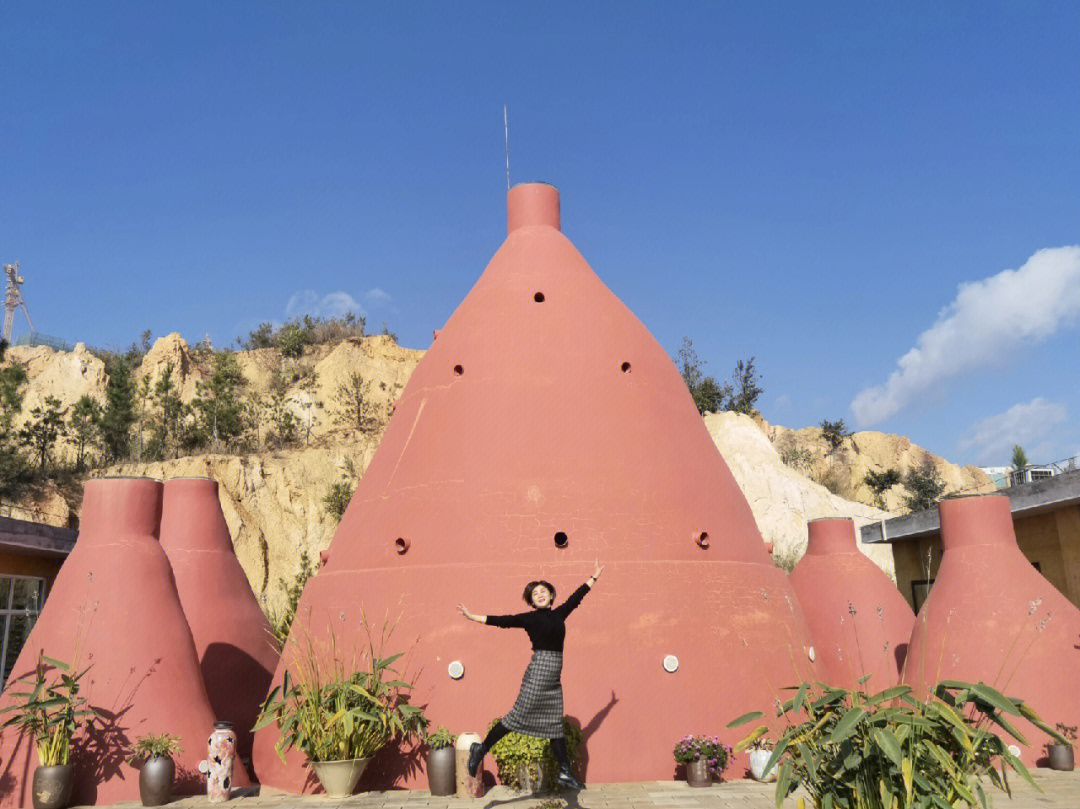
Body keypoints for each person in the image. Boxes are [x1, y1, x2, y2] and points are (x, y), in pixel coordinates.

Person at [457, 562, 604, 790]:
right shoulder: (529, 619)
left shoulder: (559, 614)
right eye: (535, 594)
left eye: (543, 591)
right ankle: (481, 748)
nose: (540, 595)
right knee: (515, 718)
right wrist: (472, 616)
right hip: (538, 672)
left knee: (555, 726)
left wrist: (593, 578)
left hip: (554, 678)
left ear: (551, 595)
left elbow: (577, 597)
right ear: (532, 601)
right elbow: (502, 621)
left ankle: (565, 772)